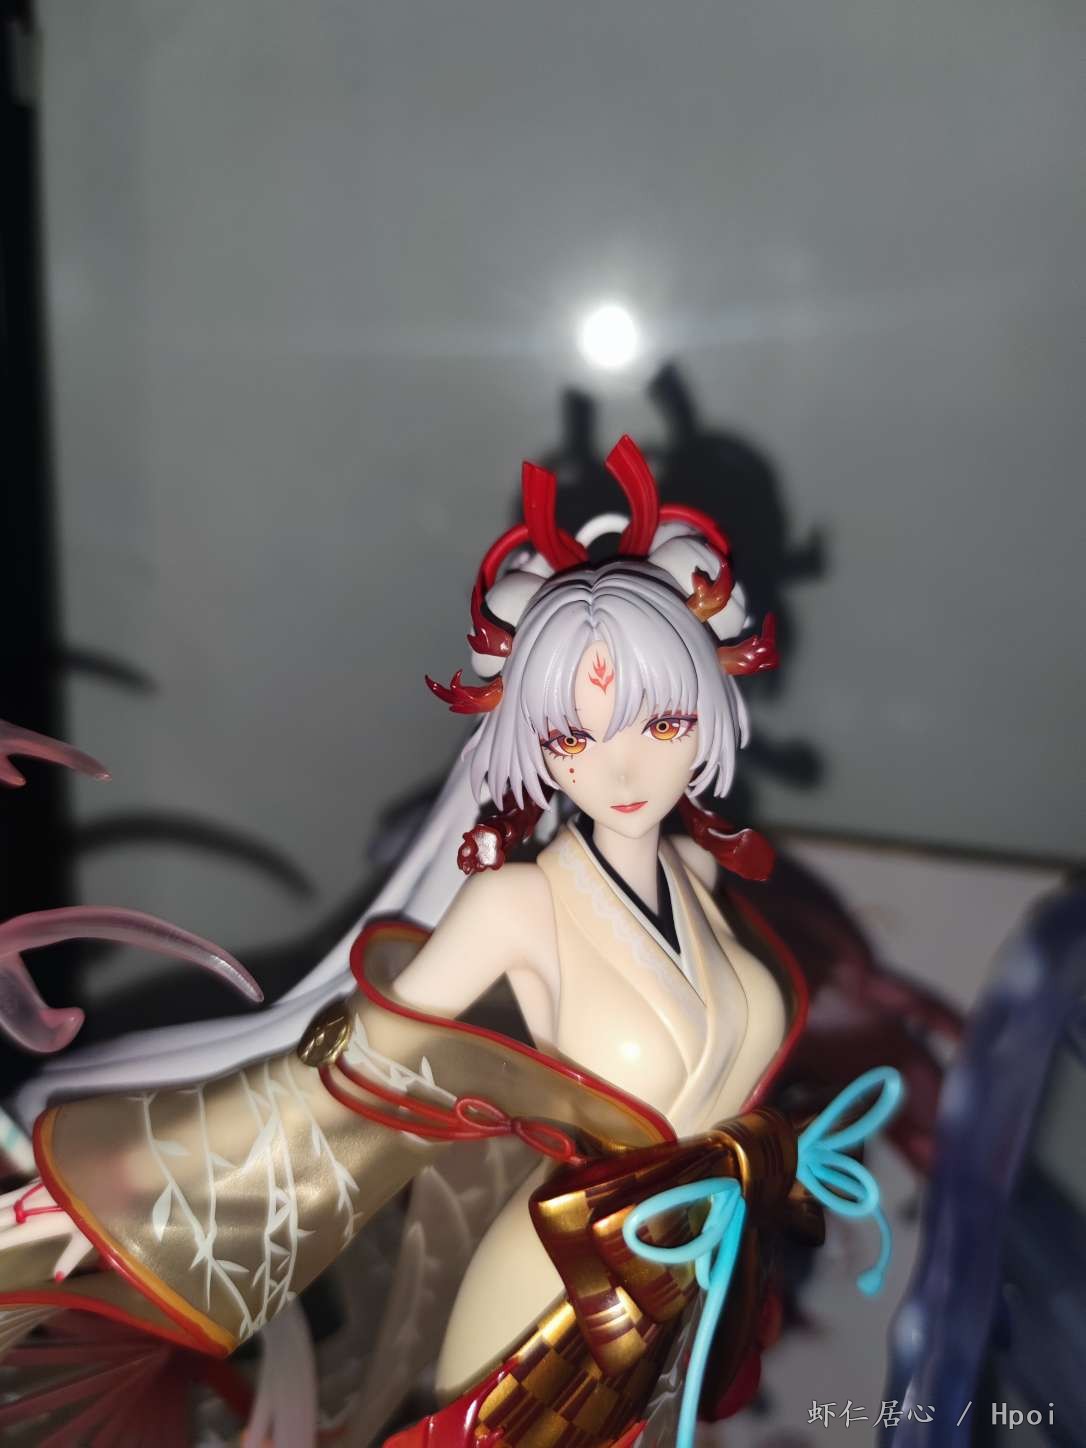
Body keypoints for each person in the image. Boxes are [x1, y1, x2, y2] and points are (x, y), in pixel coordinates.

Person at [0, 437, 830, 1446]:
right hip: (551, 1294)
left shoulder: (700, 878)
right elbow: (349, 1072)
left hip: (684, 1284)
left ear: (708, 709)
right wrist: (112, 1193)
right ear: (533, 743)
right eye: (574, 736)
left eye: (659, 724)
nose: (620, 769)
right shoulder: (519, 903)